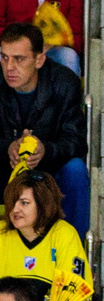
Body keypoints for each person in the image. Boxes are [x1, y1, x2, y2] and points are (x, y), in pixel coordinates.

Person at [0, 25, 80, 232]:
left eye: (19, 59)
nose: (9, 67)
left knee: (76, 169)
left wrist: (46, 150)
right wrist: (7, 147)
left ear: (39, 60)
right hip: (4, 167)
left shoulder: (64, 83)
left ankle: (73, 249)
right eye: (4, 57)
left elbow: (76, 140)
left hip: (49, 170)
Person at [0, 175, 83, 301]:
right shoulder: (2, 235)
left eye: (24, 203)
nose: (15, 209)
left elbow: (72, 291)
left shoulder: (64, 234)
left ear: (43, 204)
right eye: (13, 202)